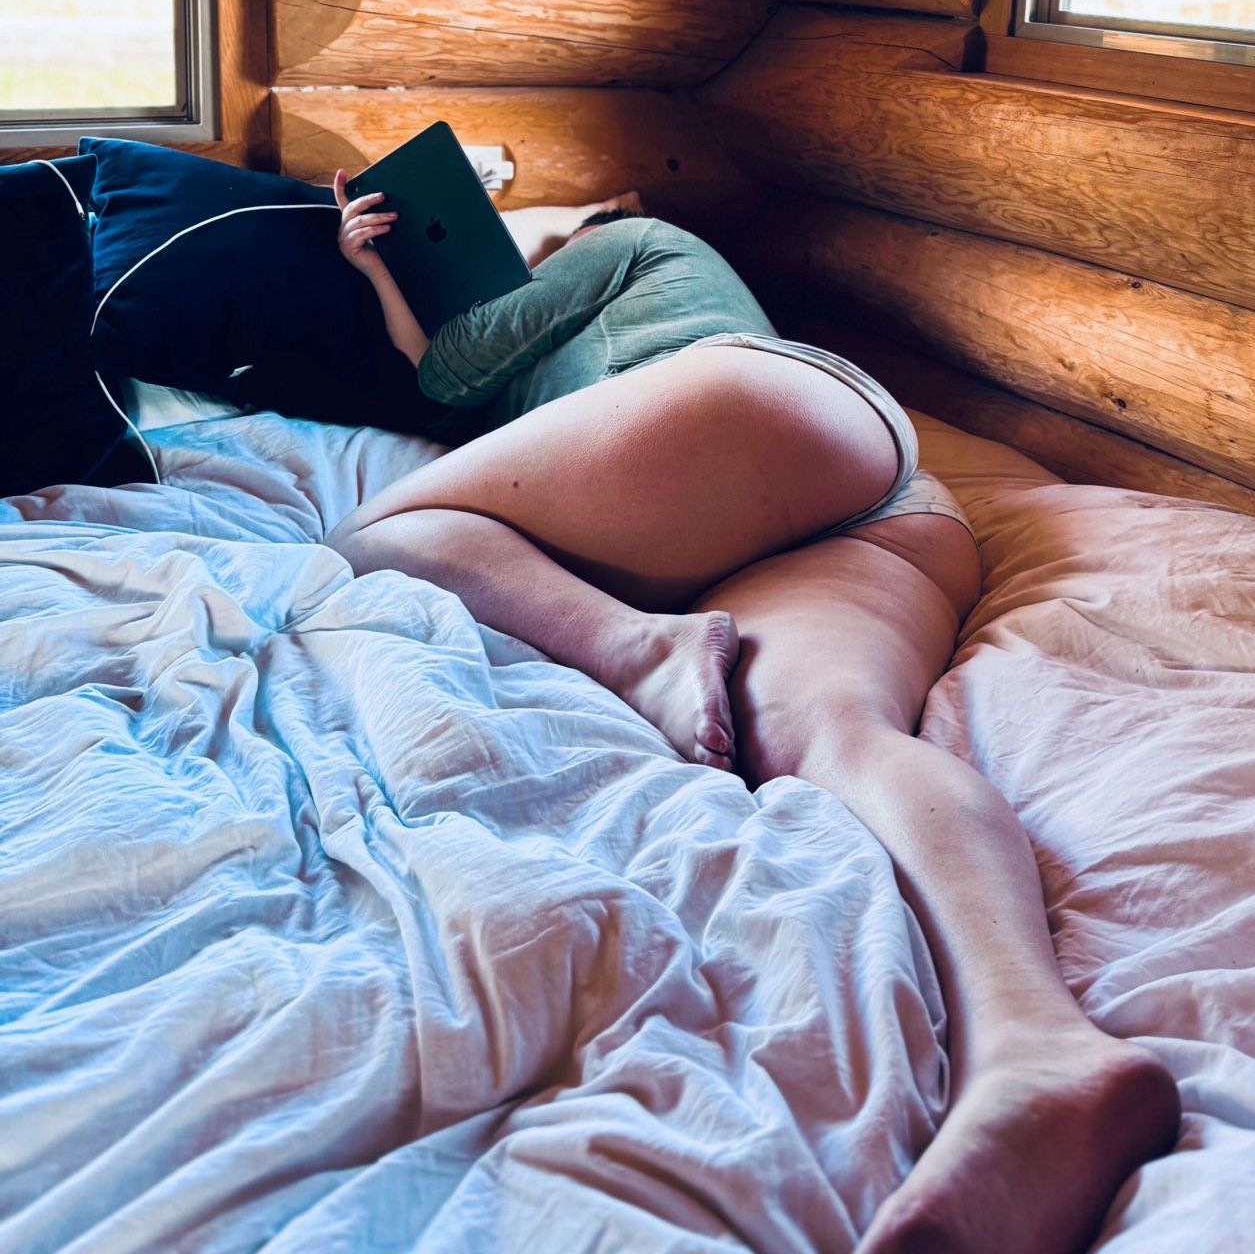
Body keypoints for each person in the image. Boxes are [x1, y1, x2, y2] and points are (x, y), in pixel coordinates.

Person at [326, 176, 1179, 1254]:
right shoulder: (551, 404)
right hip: (874, 498)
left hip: (754, 413)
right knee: (828, 740)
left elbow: (455, 361)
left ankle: (641, 648)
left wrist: (511, 249)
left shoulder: (626, 237)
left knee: (379, 527)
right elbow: (446, 380)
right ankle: (1039, 1046)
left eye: (537, 242)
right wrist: (374, 276)